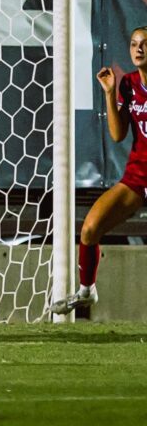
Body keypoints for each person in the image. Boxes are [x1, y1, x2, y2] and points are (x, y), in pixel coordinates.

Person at [52, 26, 147, 315]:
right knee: (90, 228)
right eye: (134, 44)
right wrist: (108, 93)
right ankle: (85, 292)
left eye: (144, 44)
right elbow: (118, 135)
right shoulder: (128, 84)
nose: (138, 49)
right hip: (137, 177)